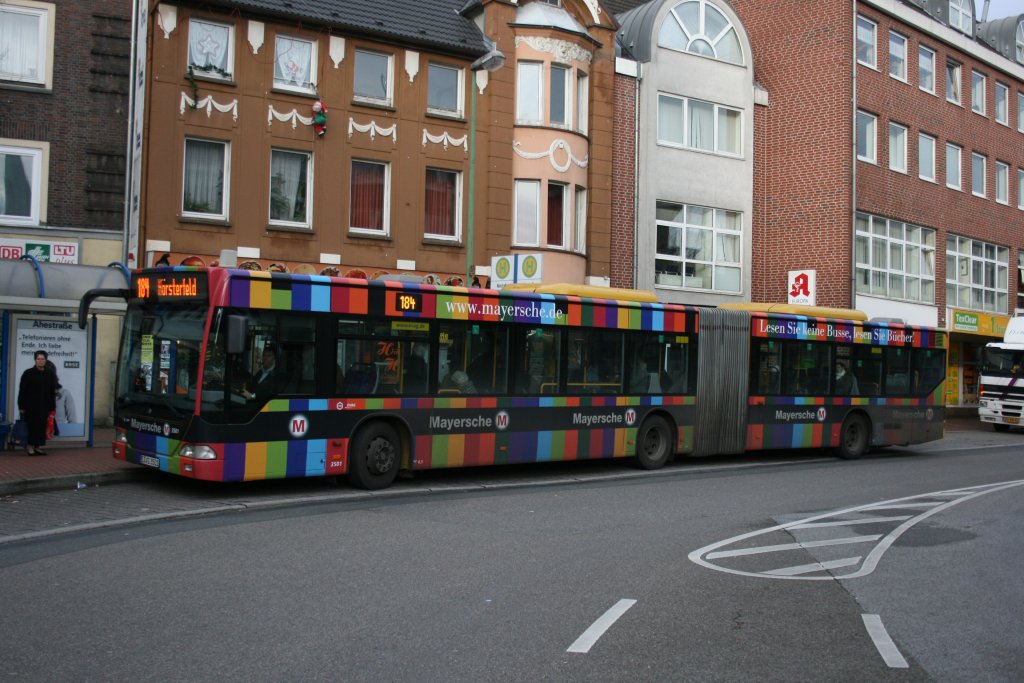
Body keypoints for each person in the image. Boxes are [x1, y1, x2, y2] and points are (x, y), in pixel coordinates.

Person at [18, 350, 57, 455]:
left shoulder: (49, 374)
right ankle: (30, 447)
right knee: (32, 427)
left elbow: (51, 391)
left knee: (41, 427)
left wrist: (52, 406)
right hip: (30, 406)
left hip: (44, 406)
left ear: (46, 360)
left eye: (43, 359)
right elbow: (22, 391)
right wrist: (21, 406)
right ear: (35, 360)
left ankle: (37, 446)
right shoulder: (28, 373)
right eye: (38, 359)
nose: (40, 361)